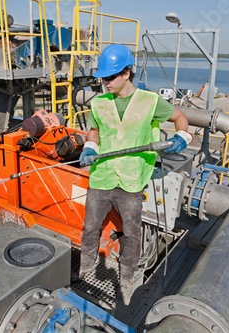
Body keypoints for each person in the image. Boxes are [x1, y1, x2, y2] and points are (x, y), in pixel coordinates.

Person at [78, 44, 192, 305]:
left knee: (131, 234)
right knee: (90, 227)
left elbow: (180, 117)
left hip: (131, 180)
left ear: (127, 73)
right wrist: (90, 147)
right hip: (102, 175)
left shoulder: (150, 102)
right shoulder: (99, 103)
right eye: (102, 78)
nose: (104, 82)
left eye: (109, 77)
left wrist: (183, 137)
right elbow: (94, 131)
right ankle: (85, 268)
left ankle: (127, 279)